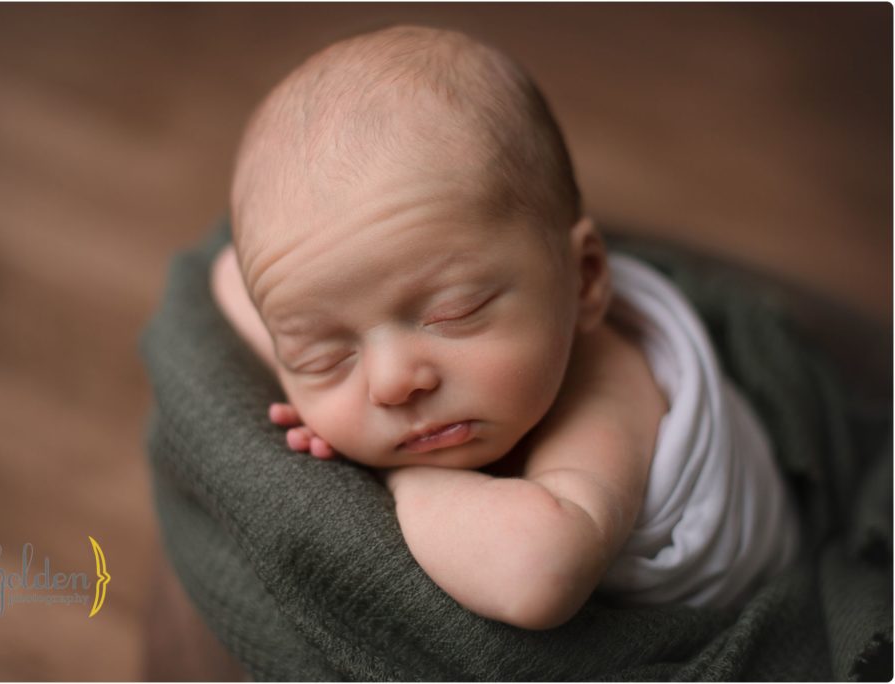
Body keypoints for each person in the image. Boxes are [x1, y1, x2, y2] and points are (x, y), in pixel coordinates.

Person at [210, 25, 798, 630]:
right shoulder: (480, 364)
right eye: (323, 355)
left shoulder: (606, 389)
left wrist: (392, 473)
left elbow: (533, 576)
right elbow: (230, 275)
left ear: (585, 279)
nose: (391, 384)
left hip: (736, 602)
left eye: (453, 313)